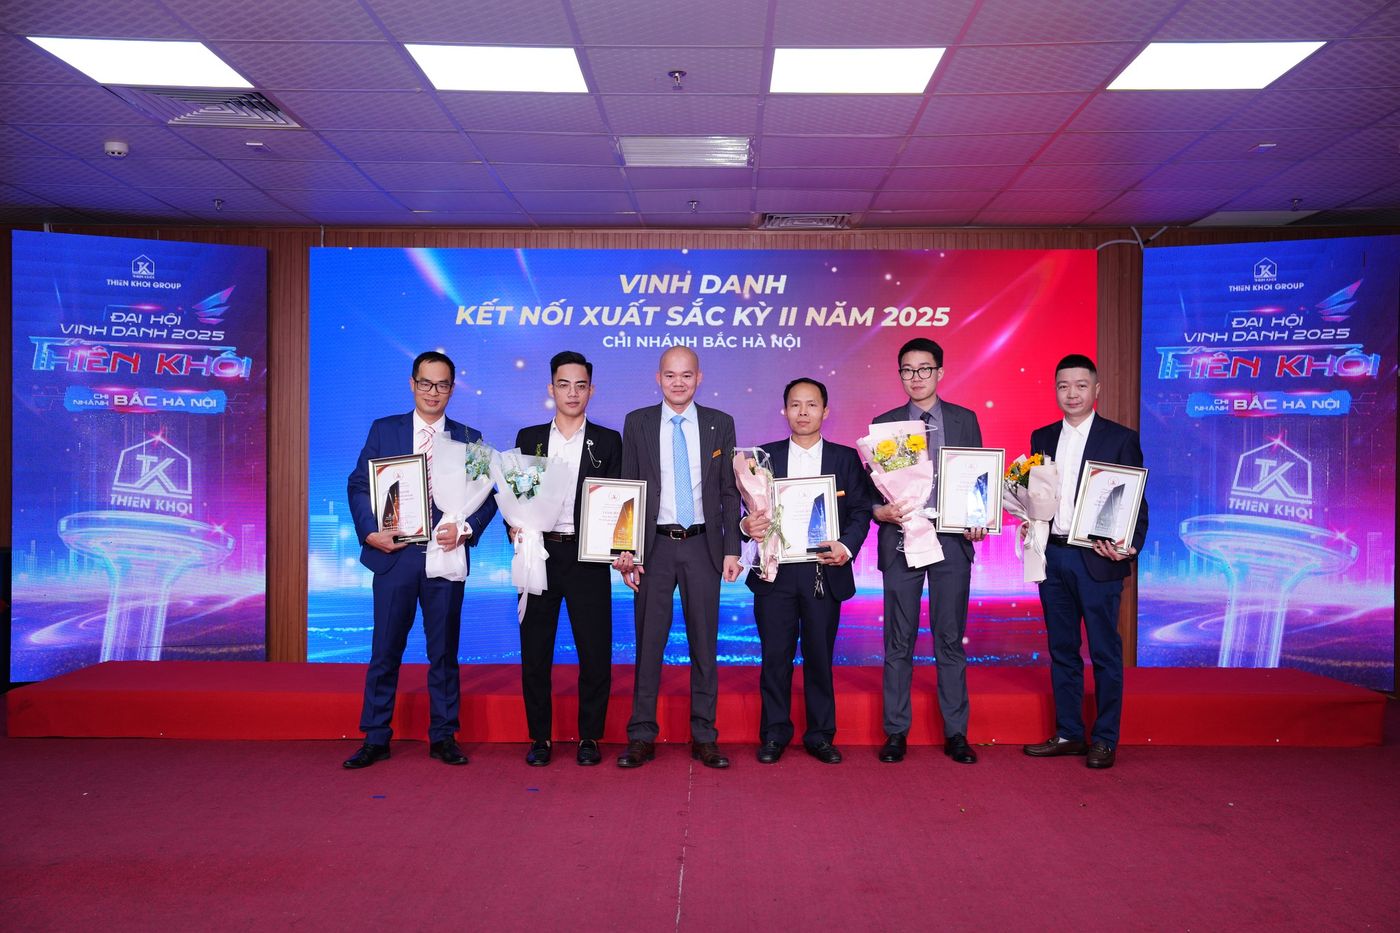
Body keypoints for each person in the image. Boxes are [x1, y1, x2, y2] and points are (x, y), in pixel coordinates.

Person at [343, 351, 497, 769]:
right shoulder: (385, 429)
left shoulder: (470, 437)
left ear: (452, 388)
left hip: (445, 556)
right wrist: (370, 532)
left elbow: (488, 498)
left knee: (444, 652)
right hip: (394, 557)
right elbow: (359, 485)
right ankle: (376, 737)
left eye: (442, 384)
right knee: (385, 651)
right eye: (426, 383)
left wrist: (466, 529)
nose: (433, 392)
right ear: (412, 384)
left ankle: (443, 735)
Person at [613, 346, 742, 769]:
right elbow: (628, 486)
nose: (678, 382)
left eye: (687, 375)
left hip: (703, 546)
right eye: (670, 375)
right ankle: (641, 735)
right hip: (654, 547)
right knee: (649, 643)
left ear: (699, 378)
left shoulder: (720, 423)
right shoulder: (638, 422)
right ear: (658, 378)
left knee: (705, 644)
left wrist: (732, 548)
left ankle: (705, 736)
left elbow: (728, 492)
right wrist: (626, 549)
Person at [1022, 354, 1147, 770]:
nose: (1071, 393)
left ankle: (1105, 739)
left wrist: (1129, 545)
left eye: (1080, 385)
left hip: (1097, 557)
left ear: (1096, 389)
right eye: (1063, 386)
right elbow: (1035, 496)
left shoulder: (1120, 438)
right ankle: (1069, 733)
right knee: (1062, 650)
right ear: (1055, 390)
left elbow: (1136, 501)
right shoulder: (1041, 437)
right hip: (1054, 556)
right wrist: (1028, 522)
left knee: (1105, 652)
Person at [741, 378, 873, 765]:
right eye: (795, 405)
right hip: (775, 573)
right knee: (775, 657)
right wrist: (745, 526)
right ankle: (774, 734)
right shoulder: (762, 458)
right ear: (784, 410)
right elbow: (742, 511)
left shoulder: (845, 459)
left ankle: (820, 735)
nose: (803, 412)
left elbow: (861, 511)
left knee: (819, 656)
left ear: (825, 411)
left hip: (822, 571)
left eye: (811, 405)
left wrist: (846, 546)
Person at [871, 337, 986, 765]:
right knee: (898, 640)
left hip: (952, 541)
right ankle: (895, 732)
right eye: (907, 370)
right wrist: (879, 511)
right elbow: (872, 492)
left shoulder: (964, 420)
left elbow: (978, 477)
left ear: (940, 372)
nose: (915, 377)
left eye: (923, 369)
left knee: (949, 639)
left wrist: (979, 516)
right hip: (903, 539)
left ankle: (956, 733)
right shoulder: (885, 424)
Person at [509, 351, 622, 767]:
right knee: (535, 651)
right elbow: (514, 496)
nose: (572, 393)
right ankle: (539, 737)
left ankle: (589, 736)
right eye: (563, 384)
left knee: (595, 651)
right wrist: (513, 528)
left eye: (580, 385)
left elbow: (618, 500)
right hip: (539, 553)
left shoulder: (608, 441)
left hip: (587, 556)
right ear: (550, 389)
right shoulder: (529, 438)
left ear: (591, 390)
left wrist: (621, 545)